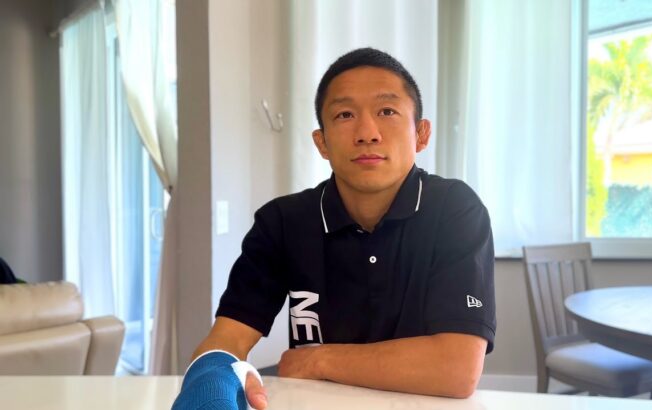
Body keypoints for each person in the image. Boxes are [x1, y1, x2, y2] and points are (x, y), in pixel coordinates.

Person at [173, 48, 495, 410]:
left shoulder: (455, 209)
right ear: (322, 142)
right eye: (345, 115)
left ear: (421, 134)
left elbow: (457, 368)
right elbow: (227, 340)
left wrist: (316, 360)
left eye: (387, 111)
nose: (367, 133)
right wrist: (212, 383)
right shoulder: (283, 221)